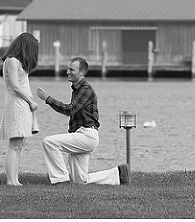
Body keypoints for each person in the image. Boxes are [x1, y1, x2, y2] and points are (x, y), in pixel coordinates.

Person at [36, 57, 130, 186]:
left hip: (87, 135)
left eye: (71, 69)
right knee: (80, 181)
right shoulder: (77, 89)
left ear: (81, 72)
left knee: (49, 142)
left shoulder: (85, 89)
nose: (67, 72)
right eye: (68, 69)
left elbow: (70, 110)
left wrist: (48, 99)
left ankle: (60, 180)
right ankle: (119, 174)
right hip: (81, 134)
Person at [0, 32, 40, 186]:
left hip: (23, 105)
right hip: (16, 104)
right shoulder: (12, 61)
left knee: (19, 145)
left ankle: (16, 180)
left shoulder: (18, 62)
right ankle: (11, 180)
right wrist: (30, 100)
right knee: (14, 144)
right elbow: (15, 86)